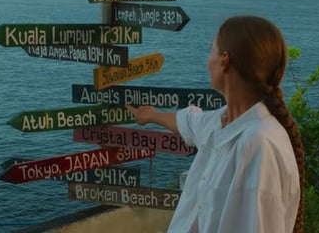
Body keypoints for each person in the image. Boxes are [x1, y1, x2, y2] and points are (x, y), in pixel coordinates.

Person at [126, 15, 304, 233]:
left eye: (211, 50)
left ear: (224, 60)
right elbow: (189, 122)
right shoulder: (222, 122)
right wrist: (151, 115)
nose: (207, 59)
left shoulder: (257, 145)